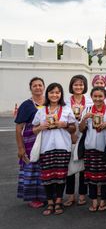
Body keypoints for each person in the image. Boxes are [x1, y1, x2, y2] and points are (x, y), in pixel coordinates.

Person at [32, 83, 76, 216]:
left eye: (57, 92)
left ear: (61, 94)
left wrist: (65, 124)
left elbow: (73, 128)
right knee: (47, 176)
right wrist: (41, 127)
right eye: (52, 92)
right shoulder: (41, 110)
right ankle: (50, 202)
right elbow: (34, 130)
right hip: (46, 147)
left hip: (63, 146)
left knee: (61, 176)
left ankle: (58, 201)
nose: (54, 95)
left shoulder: (67, 109)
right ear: (47, 94)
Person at [79, 87, 106, 212]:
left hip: (104, 147)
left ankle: (103, 200)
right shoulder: (88, 110)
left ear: (105, 97)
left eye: (100, 96)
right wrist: (85, 118)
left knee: (105, 176)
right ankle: (94, 200)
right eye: (95, 96)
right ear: (91, 97)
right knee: (91, 176)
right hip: (90, 148)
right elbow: (81, 129)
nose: (98, 99)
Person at [15, 77, 46, 208]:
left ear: (44, 87)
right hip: (30, 141)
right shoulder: (26, 105)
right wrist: (20, 148)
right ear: (31, 88)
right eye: (35, 85)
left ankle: (47, 196)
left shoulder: (50, 101)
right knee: (32, 168)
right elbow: (18, 128)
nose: (38, 87)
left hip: (47, 140)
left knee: (45, 168)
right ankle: (33, 197)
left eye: (40, 85)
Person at [64, 74, 92, 207]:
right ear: (71, 86)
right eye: (76, 84)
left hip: (85, 136)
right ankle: (70, 195)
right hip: (69, 136)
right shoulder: (65, 101)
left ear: (85, 86)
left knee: (82, 167)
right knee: (69, 167)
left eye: (81, 84)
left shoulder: (90, 101)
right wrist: (71, 133)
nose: (78, 87)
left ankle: (82, 194)